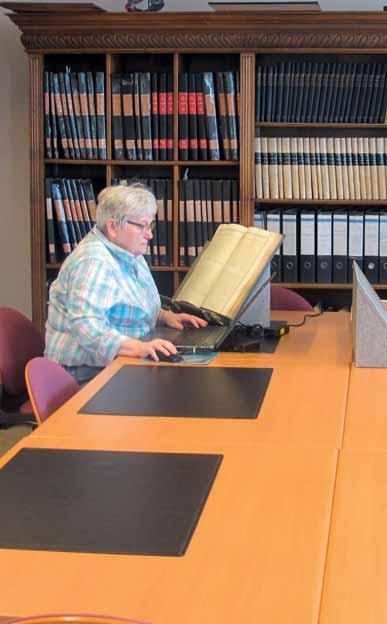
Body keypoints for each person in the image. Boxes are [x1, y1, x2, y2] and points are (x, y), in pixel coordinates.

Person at [45, 183, 207, 385]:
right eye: (142, 226)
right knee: (181, 388)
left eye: (150, 226)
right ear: (113, 226)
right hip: (84, 374)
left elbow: (128, 305)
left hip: (114, 363)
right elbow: (87, 327)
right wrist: (138, 348)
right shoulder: (93, 262)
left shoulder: (128, 252)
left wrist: (165, 316)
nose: (149, 235)